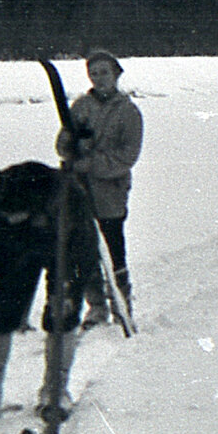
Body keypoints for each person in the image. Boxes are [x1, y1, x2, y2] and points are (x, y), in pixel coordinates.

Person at [0, 161, 99, 421]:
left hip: (63, 251)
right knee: (1, 315)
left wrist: (68, 293)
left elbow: (84, 253)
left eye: (14, 216)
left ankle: (55, 392)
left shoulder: (68, 199)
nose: (8, 219)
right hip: (19, 249)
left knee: (61, 317)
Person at [56, 49, 143, 329]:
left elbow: (127, 156)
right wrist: (71, 146)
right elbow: (62, 143)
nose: (99, 78)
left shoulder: (128, 112)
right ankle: (96, 306)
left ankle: (121, 304)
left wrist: (91, 163)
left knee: (113, 248)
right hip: (79, 191)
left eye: (104, 72)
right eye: (93, 73)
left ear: (116, 73)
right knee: (84, 250)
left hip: (110, 192)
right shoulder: (81, 107)